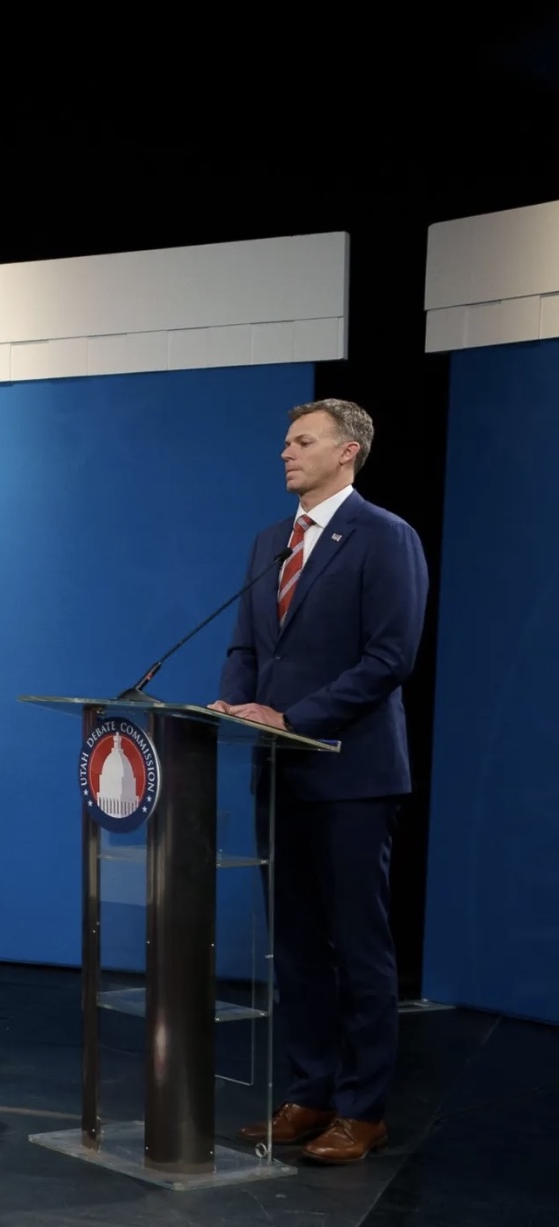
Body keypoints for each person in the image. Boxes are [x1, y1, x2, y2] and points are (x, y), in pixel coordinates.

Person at [212, 399, 427, 1166]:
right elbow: (246, 645)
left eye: (302, 441)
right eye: (283, 441)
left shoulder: (385, 536)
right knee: (295, 943)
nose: (285, 452)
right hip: (280, 771)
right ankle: (310, 1091)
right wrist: (236, 704)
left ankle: (363, 1110)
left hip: (352, 772)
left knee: (357, 944)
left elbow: (389, 657)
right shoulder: (273, 541)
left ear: (348, 453)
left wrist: (292, 714)